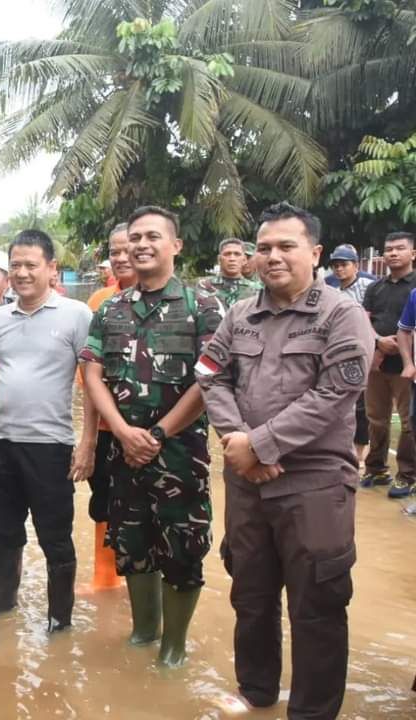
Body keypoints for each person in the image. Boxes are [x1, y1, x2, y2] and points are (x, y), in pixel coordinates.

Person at [196, 202, 373, 718]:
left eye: (286, 246)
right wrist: (239, 442)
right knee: (250, 594)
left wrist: (262, 444)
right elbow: (210, 373)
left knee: (317, 605)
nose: (272, 257)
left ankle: (312, 712)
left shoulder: (343, 315)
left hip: (315, 483)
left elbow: (334, 395)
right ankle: (256, 692)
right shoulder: (239, 314)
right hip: (246, 481)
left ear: (314, 253)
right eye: (264, 248)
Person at [79, 206, 223, 667]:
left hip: (182, 454)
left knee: (182, 548)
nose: (141, 245)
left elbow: (210, 379)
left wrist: (158, 432)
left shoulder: (204, 306)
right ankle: (143, 632)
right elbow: (92, 372)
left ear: (176, 245)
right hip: (124, 452)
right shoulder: (112, 308)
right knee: (132, 544)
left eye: (152, 236)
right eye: (134, 237)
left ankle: (174, 647)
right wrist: (121, 432)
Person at [0, 230, 93, 632]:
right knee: (2, 533)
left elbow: (91, 383)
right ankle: (5, 601)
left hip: (51, 446)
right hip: (2, 443)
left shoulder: (76, 315)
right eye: (16, 266)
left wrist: (87, 441)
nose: (21, 273)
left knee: (55, 537)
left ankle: (60, 619)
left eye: (30, 265)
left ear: (51, 269)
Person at [77, 224, 138, 592]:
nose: (119, 257)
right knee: (103, 500)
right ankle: (105, 578)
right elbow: (88, 377)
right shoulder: (99, 302)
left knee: (150, 507)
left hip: (154, 431)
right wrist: (86, 440)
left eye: (126, 249)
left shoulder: (184, 303)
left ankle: (142, 585)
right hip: (103, 428)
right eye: (113, 251)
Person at [363, 232, 416, 497]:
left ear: (413, 254)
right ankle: (375, 468)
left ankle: (406, 475)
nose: (393, 253)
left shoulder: (415, 287)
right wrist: (378, 340)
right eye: (388, 249)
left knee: (408, 423)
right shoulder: (375, 287)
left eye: (400, 248)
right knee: (376, 419)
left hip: (408, 367)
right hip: (378, 363)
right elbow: (364, 320)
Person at [328, 243, 377, 474]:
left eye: (344, 264)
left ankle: (360, 455)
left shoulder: (370, 286)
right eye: (336, 265)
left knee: (362, 407)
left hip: (365, 349)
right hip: (336, 351)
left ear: (355, 265)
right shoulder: (330, 287)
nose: (339, 269)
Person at [197, 237, 259, 308]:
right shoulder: (205, 285)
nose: (232, 258)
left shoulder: (256, 290)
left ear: (244, 260)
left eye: (237, 254)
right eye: (227, 254)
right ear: (219, 259)